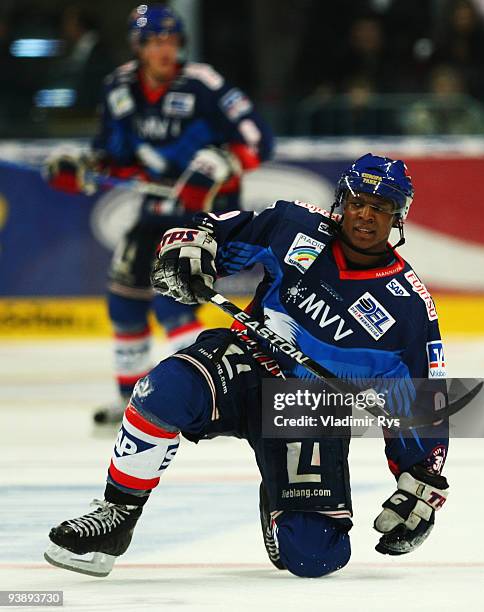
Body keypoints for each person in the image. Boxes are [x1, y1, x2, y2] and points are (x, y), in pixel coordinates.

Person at [44, 154, 449, 579]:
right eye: (356, 202)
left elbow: (421, 406)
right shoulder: (296, 226)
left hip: (309, 408)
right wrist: (190, 253)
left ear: (398, 216)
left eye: (380, 207)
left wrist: (417, 482)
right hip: (244, 361)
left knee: (315, 557)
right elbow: (211, 231)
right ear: (341, 202)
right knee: (160, 392)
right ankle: (117, 514)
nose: (365, 215)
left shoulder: (410, 310)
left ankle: (277, 502)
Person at [46, 4, 274, 424]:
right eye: (154, 41)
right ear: (139, 46)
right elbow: (114, 157)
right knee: (124, 295)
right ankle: (133, 395)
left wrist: (217, 165)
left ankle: (199, 394)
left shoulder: (205, 84)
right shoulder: (118, 87)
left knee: (174, 300)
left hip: (205, 212)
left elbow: (259, 140)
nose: (164, 49)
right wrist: (85, 168)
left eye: (170, 39)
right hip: (155, 208)